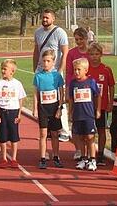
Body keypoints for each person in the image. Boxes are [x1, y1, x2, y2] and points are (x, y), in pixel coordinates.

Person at [32, 10, 70, 142]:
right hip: (41, 71)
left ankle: (64, 131)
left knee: (59, 100)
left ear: (53, 18)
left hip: (55, 72)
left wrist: (60, 70)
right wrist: (35, 68)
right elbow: (36, 51)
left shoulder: (60, 33)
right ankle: (46, 130)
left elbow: (65, 53)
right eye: (43, 17)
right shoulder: (38, 32)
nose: (44, 19)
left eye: (47, 17)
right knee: (43, 101)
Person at [0, 58, 26, 168]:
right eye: (2, 69)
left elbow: (21, 99)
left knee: (14, 136)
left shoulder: (17, 84)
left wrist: (19, 114)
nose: (2, 71)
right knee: (3, 136)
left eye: (5, 69)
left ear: (12, 71)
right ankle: (4, 158)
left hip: (13, 112)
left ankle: (14, 158)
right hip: (2, 111)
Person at [33, 49, 65, 169]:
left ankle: (56, 157)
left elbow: (61, 93)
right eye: (44, 61)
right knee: (43, 134)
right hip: (43, 108)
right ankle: (42, 158)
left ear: (53, 62)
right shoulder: (38, 76)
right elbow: (36, 93)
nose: (45, 63)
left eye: (48, 61)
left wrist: (60, 108)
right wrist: (35, 108)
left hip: (54, 108)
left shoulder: (57, 76)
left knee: (55, 134)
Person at [68, 57, 100, 171]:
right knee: (80, 137)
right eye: (75, 70)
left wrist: (98, 110)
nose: (76, 72)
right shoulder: (73, 84)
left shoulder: (91, 82)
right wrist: (70, 112)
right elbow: (71, 98)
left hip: (88, 115)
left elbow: (97, 96)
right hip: (78, 115)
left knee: (90, 138)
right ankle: (83, 158)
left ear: (85, 70)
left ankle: (92, 160)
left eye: (78, 70)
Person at [86, 42, 115, 163]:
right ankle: (88, 154)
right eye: (92, 54)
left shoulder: (106, 69)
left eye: (97, 54)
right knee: (88, 131)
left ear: (101, 54)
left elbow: (111, 86)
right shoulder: (86, 69)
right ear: (88, 55)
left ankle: (101, 154)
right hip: (87, 106)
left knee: (101, 130)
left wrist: (110, 102)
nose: (94, 56)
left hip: (102, 106)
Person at [63, 26, 90, 145]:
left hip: (88, 90)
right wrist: (68, 90)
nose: (78, 42)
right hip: (75, 90)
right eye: (76, 39)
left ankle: (89, 150)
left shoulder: (91, 52)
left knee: (88, 119)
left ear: (86, 38)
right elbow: (68, 73)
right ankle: (78, 149)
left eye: (81, 39)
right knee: (75, 119)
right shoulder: (71, 53)